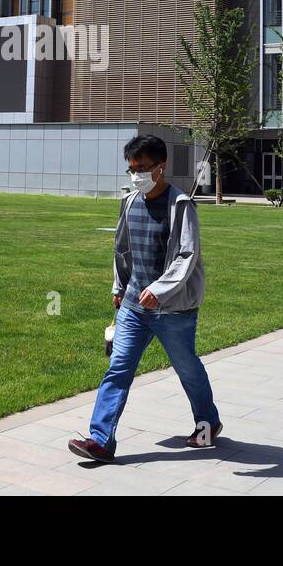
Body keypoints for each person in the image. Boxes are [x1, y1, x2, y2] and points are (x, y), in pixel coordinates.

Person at [68, 135, 221, 463]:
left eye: (141, 168)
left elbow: (186, 254)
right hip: (135, 306)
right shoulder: (130, 201)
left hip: (173, 309)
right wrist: (119, 287)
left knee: (186, 368)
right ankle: (100, 440)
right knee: (118, 369)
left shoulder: (180, 204)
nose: (135, 174)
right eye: (131, 168)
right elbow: (122, 249)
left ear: (160, 167)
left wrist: (160, 290)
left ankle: (208, 424)